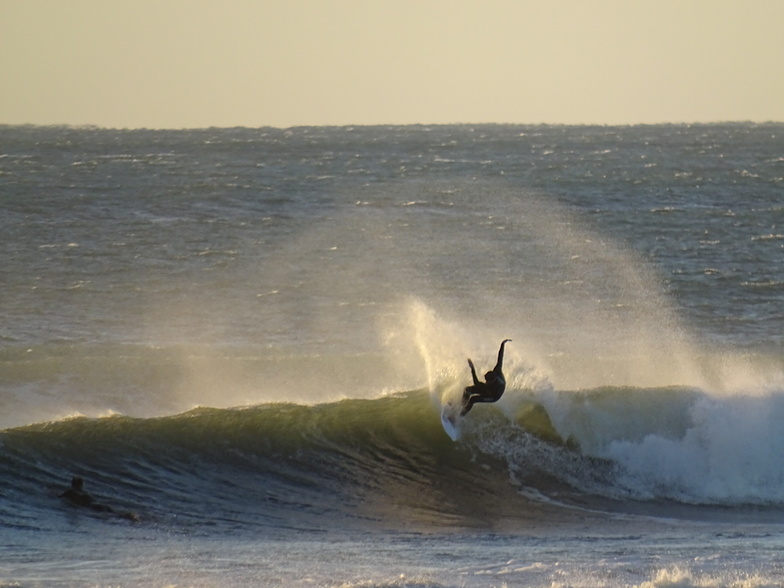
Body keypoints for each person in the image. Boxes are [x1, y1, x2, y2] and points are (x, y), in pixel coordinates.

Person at [461, 339, 512, 416]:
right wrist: (502, 344)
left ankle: (460, 415)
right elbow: (500, 357)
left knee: (473, 399)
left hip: (493, 396)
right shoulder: (497, 370)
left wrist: (472, 369)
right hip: (490, 388)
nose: (486, 382)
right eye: (486, 380)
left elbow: (477, 383)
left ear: (491, 381)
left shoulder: (495, 388)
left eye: (487, 382)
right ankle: (460, 405)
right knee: (467, 390)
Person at [59, 476, 138, 520]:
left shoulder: (70, 492)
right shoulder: (86, 492)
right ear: (82, 485)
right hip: (100, 504)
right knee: (116, 514)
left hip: (94, 507)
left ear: (72, 484)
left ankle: (129, 516)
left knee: (113, 516)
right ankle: (131, 516)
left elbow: (59, 497)